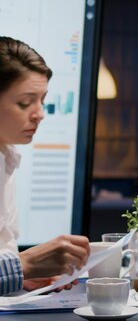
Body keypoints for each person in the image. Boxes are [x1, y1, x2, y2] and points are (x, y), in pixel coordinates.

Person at [0, 36, 90, 295]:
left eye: (42, 100)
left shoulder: (7, 158)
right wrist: (24, 265)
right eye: (25, 102)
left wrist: (21, 277)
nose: (40, 113)